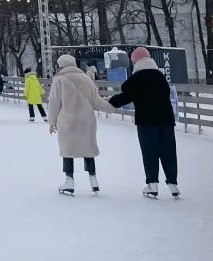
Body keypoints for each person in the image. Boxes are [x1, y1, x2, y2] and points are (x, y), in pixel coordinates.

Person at [108, 47, 180, 199]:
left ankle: (152, 185)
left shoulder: (138, 77)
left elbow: (126, 93)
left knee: (150, 152)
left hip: (147, 122)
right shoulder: (160, 76)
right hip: (166, 121)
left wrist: (110, 103)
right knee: (168, 152)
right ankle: (173, 184)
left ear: (136, 61)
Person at [48, 55, 113, 195]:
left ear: (60, 65)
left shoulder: (58, 80)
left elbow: (54, 102)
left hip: (68, 120)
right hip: (86, 119)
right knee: (87, 148)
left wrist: (51, 121)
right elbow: (96, 100)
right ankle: (93, 180)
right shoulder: (86, 79)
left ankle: (69, 181)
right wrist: (111, 107)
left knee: (67, 150)